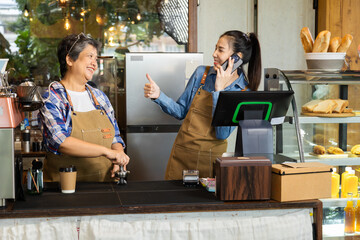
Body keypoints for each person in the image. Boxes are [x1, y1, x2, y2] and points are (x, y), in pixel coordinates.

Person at [144, 30, 262, 180]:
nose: (214, 54)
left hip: (210, 161)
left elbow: (222, 134)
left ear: (236, 58)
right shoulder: (202, 74)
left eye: (220, 50)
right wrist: (159, 95)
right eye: (215, 48)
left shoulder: (243, 91)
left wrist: (219, 90)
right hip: (182, 154)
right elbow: (181, 112)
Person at [38, 33, 129, 182]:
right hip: (64, 188)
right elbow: (60, 141)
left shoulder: (99, 97)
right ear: (69, 60)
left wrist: (119, 157)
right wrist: (107, 152)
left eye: (96, 58)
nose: (95, 63)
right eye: (90, 56)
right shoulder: (53, 97)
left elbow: (115, 137)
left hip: (104, 186)